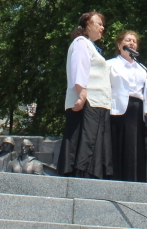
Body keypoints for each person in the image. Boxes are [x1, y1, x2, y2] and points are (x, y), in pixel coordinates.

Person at [58, 11, 113, 178]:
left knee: (93, 148)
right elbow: (79, 69)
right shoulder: (81, 42)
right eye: (99, 23)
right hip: (87, 105)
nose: (102, 27)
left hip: (98, 105)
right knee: (85, 147)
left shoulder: (91, 46)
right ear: (87, 25)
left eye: (103, 24)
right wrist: (81, 95)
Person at [106, 30, 147, 182]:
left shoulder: (142, 67)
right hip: (118, 109)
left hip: (138, 109)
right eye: (128, 40)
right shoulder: (110, 64)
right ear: (119, 45)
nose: (131, 43)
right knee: (119, 145)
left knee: (135, 147)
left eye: (134, 41)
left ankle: (135, 180)